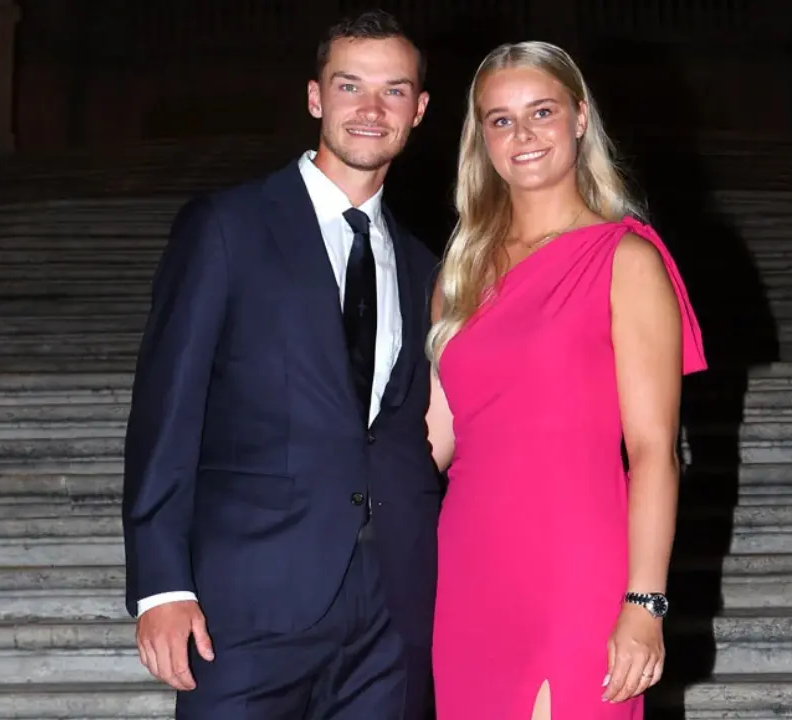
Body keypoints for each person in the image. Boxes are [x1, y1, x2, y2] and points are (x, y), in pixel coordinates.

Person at [121, 10, 441, 719]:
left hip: (392, 608)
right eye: (349, 85)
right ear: (314, 97)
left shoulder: (425, 265)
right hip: (248, 605)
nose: (370, 108)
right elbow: (166, 411)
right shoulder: (227, 227)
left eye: (393, 91)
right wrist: (162, 586)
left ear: (418, 110)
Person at [424, 41, 708, 719]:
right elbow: (432, 439)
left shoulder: (626, 259)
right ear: (480, 138)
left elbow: (653, 450)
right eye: (499, 119)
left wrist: (644, 602)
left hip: (578, 561)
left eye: (541, 112)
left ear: (579, 118)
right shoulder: (458, 274)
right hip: (470, 565)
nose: (522, 135)